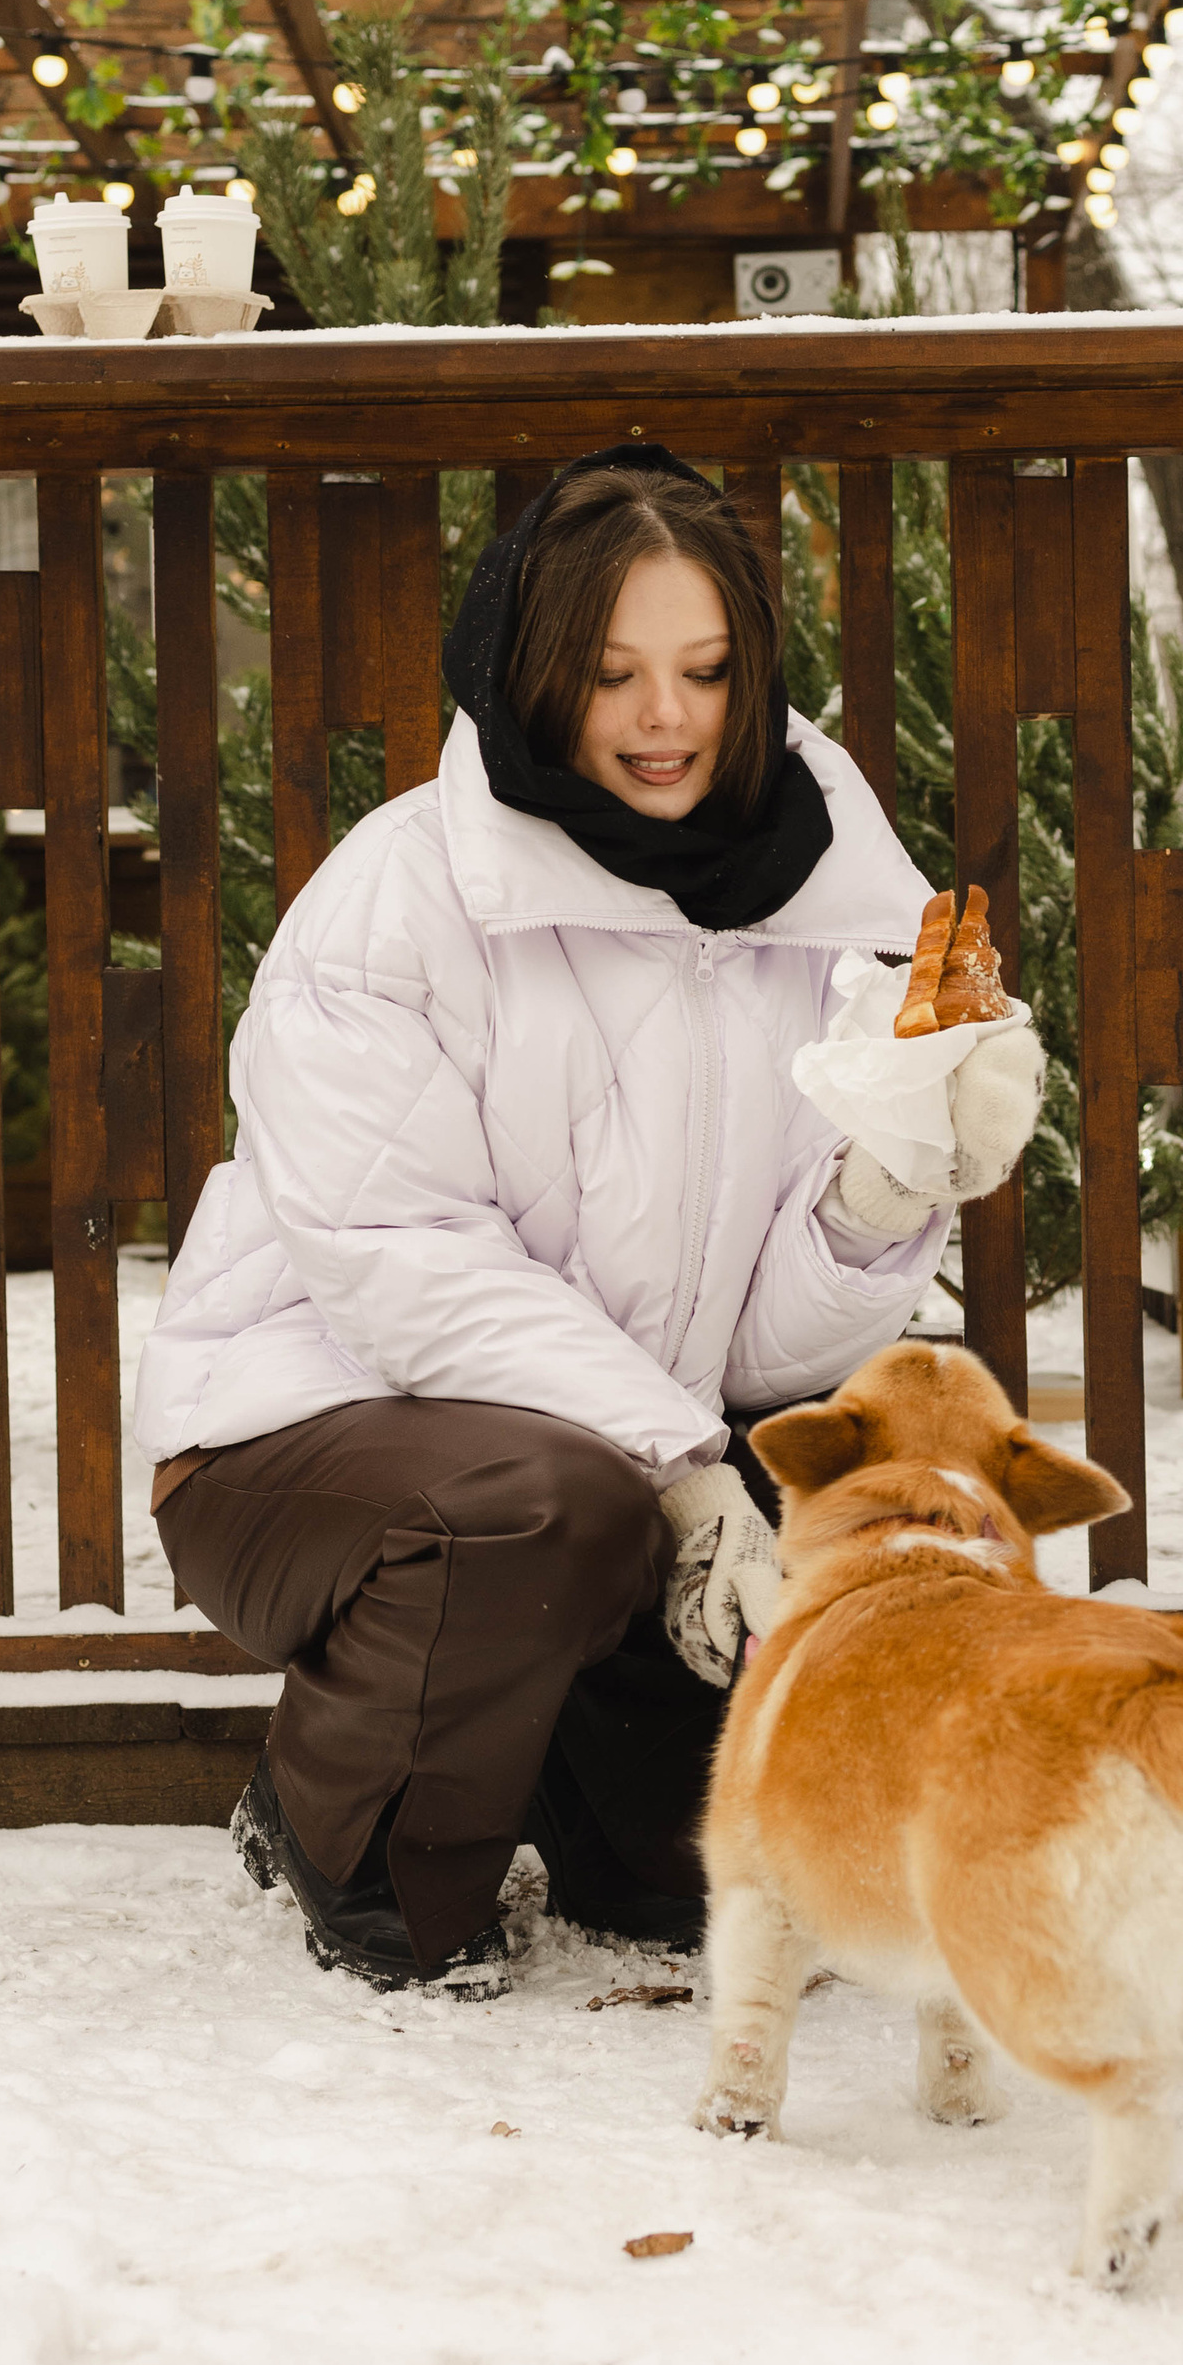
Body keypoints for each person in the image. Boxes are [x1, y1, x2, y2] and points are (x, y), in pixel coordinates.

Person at [133, 446, 1046, 1999]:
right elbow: (406, 1275)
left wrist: (888, 1192)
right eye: (613, 673)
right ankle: (330, 1831)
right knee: (541, 1505)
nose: (667, 718)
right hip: (313, 1440)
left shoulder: (839, 902)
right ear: (532, 668)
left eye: (704, 670)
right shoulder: (399, 900)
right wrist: (688, 1480)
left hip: (623, 1466)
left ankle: (555, 1748)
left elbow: (760, 1343)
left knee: (685, 1893)